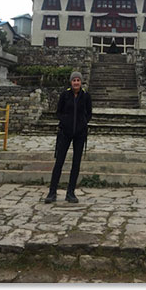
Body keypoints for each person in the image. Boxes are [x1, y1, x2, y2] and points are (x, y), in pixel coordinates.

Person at [45, 71, 92, 204]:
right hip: (65, 133)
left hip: (80, 134)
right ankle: (52, 192)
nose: (76, 82)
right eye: (74, 80)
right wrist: (65, 122)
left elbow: (89, 113)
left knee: (76, 164)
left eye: (78, 80)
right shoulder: (65, 95)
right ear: (71, 82)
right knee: (59, 162)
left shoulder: (86, 96)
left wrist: (82, 123)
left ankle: (70, 192)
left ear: (81, 82)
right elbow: (58, 112)